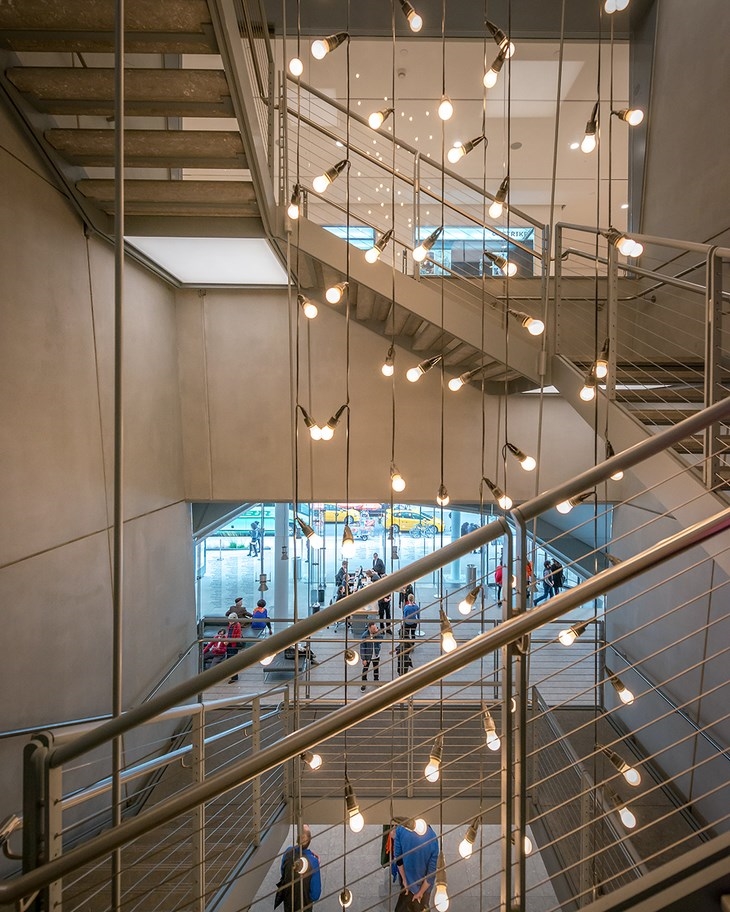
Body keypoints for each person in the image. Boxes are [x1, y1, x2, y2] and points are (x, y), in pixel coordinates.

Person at [392, 821, 438, 910]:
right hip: (424, 888)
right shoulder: (433, 839)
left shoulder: (401, 830)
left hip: (408, 883)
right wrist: (420, 893)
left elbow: (398, 858)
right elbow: (430, 875)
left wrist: (405, 881)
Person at [276, 824, 321, 912]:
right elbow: (315, 895)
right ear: (309, 841)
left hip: (289, 901)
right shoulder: (313, 862)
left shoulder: (288, 852)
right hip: (304, 905)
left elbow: (283, 872)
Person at [359, 620, 383, 692]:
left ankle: (376, 680)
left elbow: (381, 640)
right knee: (365, 669)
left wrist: (377, 632)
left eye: (375, 628)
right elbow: (362, 648)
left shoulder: (377, 633)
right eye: (373, 629)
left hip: (376, 654)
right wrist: (363, 659)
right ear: (369, 628)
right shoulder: (364, 636)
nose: (374, 630)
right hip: (368, 656)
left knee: (376, 668)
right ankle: (364, 683)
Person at [226, 613, 243, 683]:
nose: (229, 622)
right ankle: (231, 675)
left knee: (233, 661)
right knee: (229, 660)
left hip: (233, 645)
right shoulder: (231, 624)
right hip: (229, 644)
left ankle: (234, 677)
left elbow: (236, 636)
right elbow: (229, 633)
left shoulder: (237, 625)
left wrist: (228, 641)